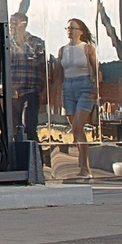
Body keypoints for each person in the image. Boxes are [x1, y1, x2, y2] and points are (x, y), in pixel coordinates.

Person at [50, 19, 98, 180]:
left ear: (81, 31)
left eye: (73, 28)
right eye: (68, 28)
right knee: (75, 129)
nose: (70, 30)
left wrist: (96, 91)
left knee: (78, 126)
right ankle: (83, 164)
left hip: (84, 85)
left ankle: (85, 165)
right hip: (68, 87)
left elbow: (97, 71)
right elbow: (59, 73)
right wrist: (56, 92)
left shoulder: (87, 49)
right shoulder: (63, 50)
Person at [5, 13, 48, 157]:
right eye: (11, 23)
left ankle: (36, 160)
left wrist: (45, 90)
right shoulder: (6, 43)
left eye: (15, 23)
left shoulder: (36, 43)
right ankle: (17, 160)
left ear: (24, 24)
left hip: (32, 90)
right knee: (13, 128)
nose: (12, 26)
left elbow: (43, 68)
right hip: (12, 92)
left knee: (30, 126)